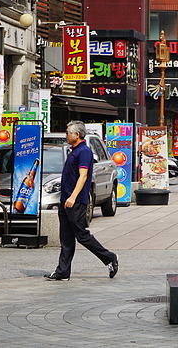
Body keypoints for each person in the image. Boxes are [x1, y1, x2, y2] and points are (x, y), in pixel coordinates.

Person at [45, 120, 118, 281]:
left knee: (82, 235)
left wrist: (73, 197)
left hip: (75, 201)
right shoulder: (73, 150)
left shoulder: (84, 152)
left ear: (76, 135)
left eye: (68, 133)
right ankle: (63, 271)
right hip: (65, 200)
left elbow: (83, 176)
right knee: (66, 237)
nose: (66, 135)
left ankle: (109, 258)